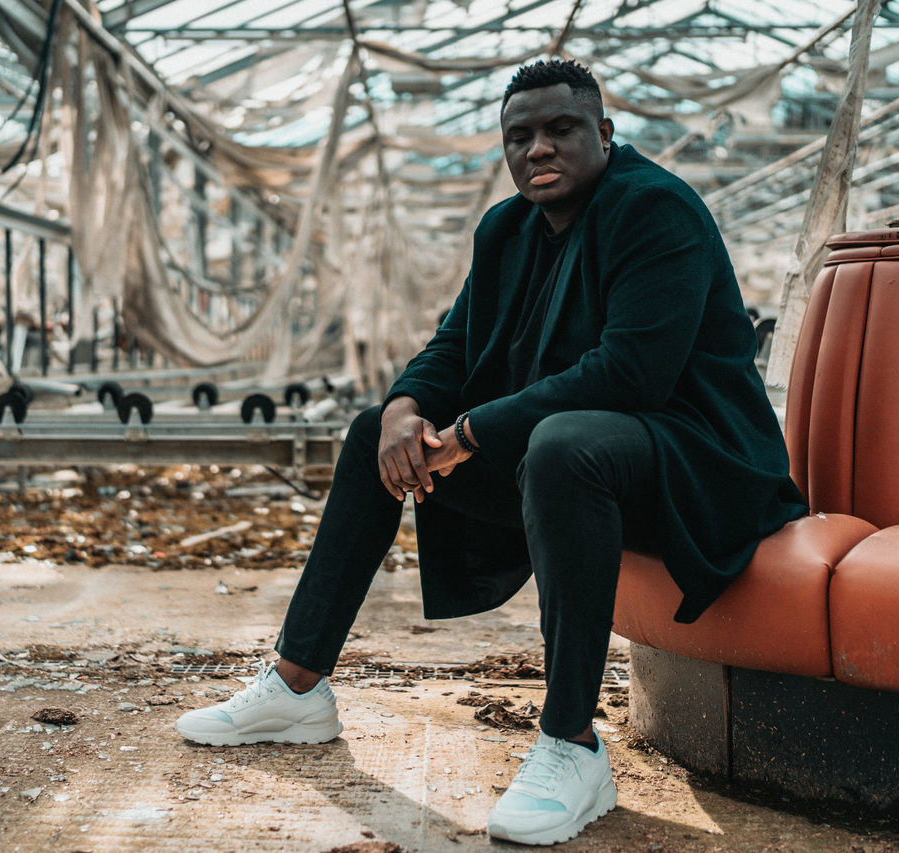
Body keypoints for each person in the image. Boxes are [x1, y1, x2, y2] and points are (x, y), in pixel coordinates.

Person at [176, 59, 807, 846]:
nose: (539, 149)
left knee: (561, 443)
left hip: (698, 468)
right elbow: (453, 346)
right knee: (377, 431)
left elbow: (630, 374)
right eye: (520, 136)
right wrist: (408, 409)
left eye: (560, 129)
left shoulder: (656, 211)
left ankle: (571, 743)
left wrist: (468, 434)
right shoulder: (507, 230)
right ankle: (298, 685)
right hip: (577, 467)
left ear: (604, 134)